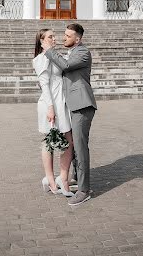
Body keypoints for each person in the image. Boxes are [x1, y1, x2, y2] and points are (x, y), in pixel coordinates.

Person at [42, 23, 97, 207]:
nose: (64, 38)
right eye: (64, 35)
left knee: (80, 148)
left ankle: (84, 190)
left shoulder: (83, 52)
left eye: (67, 36)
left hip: (82, 105)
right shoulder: (72, 52)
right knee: (73, 145)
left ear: (77, 39)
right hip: (71, 106)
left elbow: (65, 66)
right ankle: (75, 177)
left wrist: (49, 50)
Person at [33, 28, 74, 197]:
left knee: (68, 140)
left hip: (61, 103)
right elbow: (44, 84)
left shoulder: (54, 56)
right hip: (49, 105)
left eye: (54, 36)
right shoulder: (40, 59)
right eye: (50, 37)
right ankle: (50, 179)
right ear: (42, 41)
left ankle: (62, 177)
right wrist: (50, 108)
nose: (54, 38)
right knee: (49, 141)